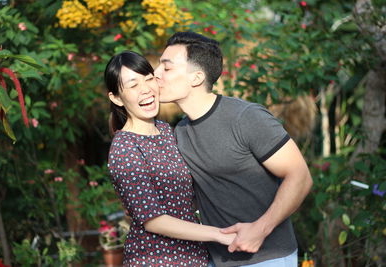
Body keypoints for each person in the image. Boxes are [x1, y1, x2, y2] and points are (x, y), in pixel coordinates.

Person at [154, 32, 313, 267]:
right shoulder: (180, 131)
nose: (156, 74)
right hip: (216, 259)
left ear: (197, 77)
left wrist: (260, 229)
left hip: (268, 259)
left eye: (166, 68)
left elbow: (300, 176)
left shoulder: (245, 117)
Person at [105, 51, 235, 266]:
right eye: (133, 85)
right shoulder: (125, 148)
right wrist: (219, 234)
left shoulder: (166, 130)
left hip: (194, 256)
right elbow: (153, 221)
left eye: (148, 79)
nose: (145, 89)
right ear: (116, 98)